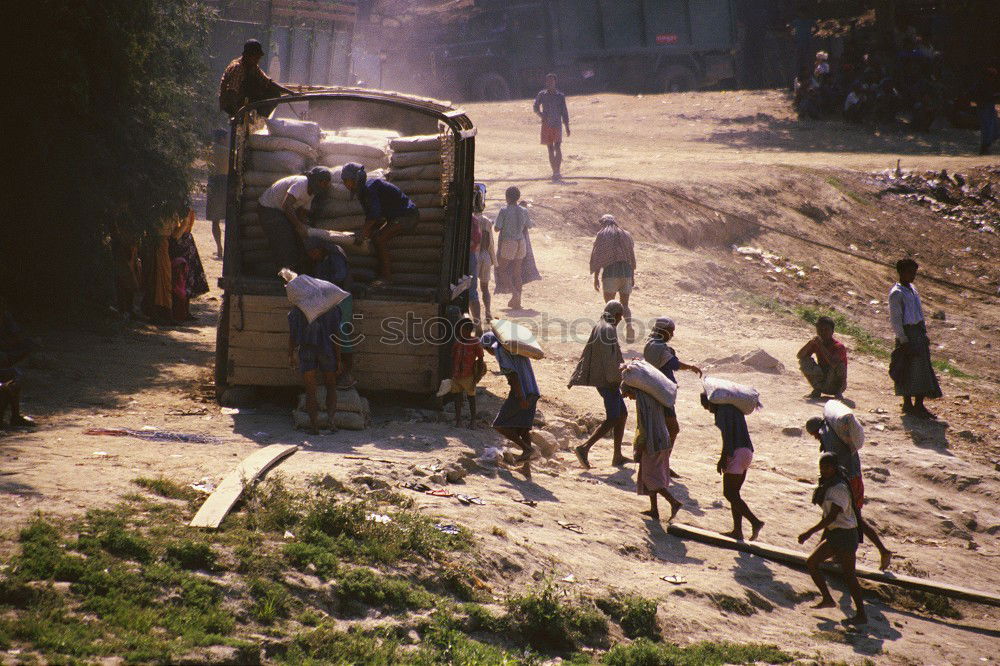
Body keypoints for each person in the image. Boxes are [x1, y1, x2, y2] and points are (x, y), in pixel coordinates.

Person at [806, 416, 892, 570]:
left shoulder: (829, 437)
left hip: (849, 482)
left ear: (817, 430)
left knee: (855, 520)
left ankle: (883, 551)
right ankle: (823, 551)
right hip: (852, 478)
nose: (816, 438)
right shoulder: (834, 434)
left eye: (814, 435)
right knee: (835, 515)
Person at [798, 452, 868, 626]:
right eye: (822, 467)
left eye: (828, 467)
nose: (824, 470)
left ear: (835, 468)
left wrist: (809, 532)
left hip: (845, 535)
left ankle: (861, 614)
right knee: (812, 562)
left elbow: (831, 518)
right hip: (836, 534)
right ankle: (828, 598)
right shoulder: (828, 484)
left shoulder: (839, 488)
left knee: (849, 576)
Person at [569, 301, 627, 469]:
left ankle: (617, 455)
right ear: (616, 315)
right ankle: (584, 448)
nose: (621, 319)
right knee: (614, 417)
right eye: (620, 316)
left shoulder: (602, 326)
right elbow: (609, 361)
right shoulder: (607, 329)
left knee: (622, 414)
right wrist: (617, 379)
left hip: (605, 378)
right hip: (607, 380)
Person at [341, 162, 420, 284]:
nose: (345, 184)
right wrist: (367, 232)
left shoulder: (370, 187)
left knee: (380, 239)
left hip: (407, 216)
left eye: (347, 180)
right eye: (344, 181)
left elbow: (374, 214)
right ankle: (381, 273)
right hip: (396, 217)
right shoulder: (362, 191)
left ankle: (387, 278)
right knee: (375, 237)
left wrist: (364, 232)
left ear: (356, 178)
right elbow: (372, 216)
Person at [701, 394, 764, 541]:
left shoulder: (722, 412)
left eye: (705, 404)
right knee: (735, 495)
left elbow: (727, 437)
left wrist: (723, 458)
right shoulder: (733, 410)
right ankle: (737, 531)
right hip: (747, 452)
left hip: (737, 452)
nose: (705, 408)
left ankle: (755, 522)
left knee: (729, 494)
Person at [643, 317, 702, 473]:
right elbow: (673, 364)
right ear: (663, 331)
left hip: (658, 392)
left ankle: (660, 464)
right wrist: (690, 367)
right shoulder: (658, 347)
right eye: (671, 331)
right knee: (672, 429)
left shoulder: (652, 344)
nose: (672, 335)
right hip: (661, 394)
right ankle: (661, 466)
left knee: (661, 429)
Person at [285, 276, 343, 436]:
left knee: (310, 391)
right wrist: (339, 359)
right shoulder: (333, 309)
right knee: (331, 386)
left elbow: (293, 336)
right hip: (327, 351)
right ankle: (331, 422)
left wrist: (291, 354)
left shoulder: (297, 311)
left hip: (307, 351)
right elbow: (336, 335)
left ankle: (314, 427)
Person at [889, 258, 941, 418]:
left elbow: (918, 313)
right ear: (901, 272)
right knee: (906, 368)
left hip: (917, 333)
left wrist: (923, 333)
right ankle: (907, 404)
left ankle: (919, 404)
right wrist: (903, 339)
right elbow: (896, 319)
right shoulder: (896, 293)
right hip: (907, 334)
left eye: (914, 273)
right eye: (910, 272)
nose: (913, 276)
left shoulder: (912, 289)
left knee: (922, 369)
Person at [623, 386, 683, 521]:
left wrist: (640, 445)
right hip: (661, 440)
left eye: (628, 394)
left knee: (650, 477)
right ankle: (654, 510)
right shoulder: (651, 399)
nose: (629, 398)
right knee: (646, 473)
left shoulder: (643, 403)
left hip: (653, 442)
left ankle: (673, 502)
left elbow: (644, 426)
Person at [481, 331, 539, 469]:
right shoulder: (516, 349)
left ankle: (526, 449)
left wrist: (520, 397)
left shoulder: (500, 351)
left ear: (489, 347)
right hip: (533, 390)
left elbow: (513, 375)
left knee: (499, 425)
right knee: (523, 429)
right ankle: (526, 469)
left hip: (521, 392)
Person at [258, 167, 333, 273]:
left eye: (326, 183)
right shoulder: (301, 183)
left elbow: (302, 212)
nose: (323, 185)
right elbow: (287, 205)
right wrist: (299, 226)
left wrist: (305, 229)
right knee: (285, 237)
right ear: (316, 179)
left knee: (297, 238)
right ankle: (285, 276)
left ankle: (297, 272)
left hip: (281, 211)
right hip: (268, 208)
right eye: (322, 182)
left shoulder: (312, 193)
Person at [305, 237, 356, 389]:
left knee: (342, 334)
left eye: (313, 252)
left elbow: (339, 277)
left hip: (341, 298)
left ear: (319, 249)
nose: (311, 256)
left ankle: (346, 374)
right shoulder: (321, 260)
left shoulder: (335, 256)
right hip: (329, 300)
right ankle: (335, 374)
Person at [589, 214, 637, 343]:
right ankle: (629, 326)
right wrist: (632, 276)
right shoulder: (626, 234)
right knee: (625, 304)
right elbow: (631, 255)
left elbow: (598, 256)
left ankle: (612, 334)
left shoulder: (602, 234)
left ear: (603, 223)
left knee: (610, 306)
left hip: (611, 273)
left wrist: (596, 277)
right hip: (626, 272)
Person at [218, 39, 293, 118]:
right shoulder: (238, 68)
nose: (258, 60)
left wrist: (290, 92)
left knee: (273, 92)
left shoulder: (252, 66)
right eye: (256, 57)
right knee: (254, 83)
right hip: (232, 103)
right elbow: (231, 93)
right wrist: (238, 114)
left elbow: (268, 82)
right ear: (248, 55)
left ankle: (260, 116)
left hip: (243, 98)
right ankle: (249, 115)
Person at [494, 187, 534, 310]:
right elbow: (529, 225)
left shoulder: (504, 210)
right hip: (521, 242)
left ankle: (514, 294)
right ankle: (517, 301)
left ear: (507, 197)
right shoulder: (523, 210)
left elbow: (497, 228)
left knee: (501, 270)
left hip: (509, 242)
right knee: (517, 273)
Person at [0, 299, 35, 429]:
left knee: (14, 377)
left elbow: (17, 336)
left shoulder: (5, 316)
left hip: (5, 352)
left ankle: (15, 416)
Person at [169, 210, 209, 322]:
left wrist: (173, 240)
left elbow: (184, 225)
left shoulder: (181, 206)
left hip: (182, 243)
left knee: (182, 278)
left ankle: (182, 311)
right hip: (184, 243)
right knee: (184, 278)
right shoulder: (183, 206)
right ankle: (182, 312)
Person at [797, 316, 848, 400]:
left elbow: (834, 364)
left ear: (832, 331)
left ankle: (838, 393)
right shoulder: (817, 343)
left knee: (840, 365)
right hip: (822, 382)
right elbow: (800, 356)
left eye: (826, 330)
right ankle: (817, 389)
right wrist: (809, 344)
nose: (823, 332)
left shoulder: (838, 346)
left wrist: (821, 346)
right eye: (820, 329)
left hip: (836, 385)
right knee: (804, 361)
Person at [533, 73, 570, 181]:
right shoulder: (542, 95)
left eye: (552, 81)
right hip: (546, 125)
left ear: (555, 82)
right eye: (548, 81)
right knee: (550, 149)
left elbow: (564, 112)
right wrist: (541, 115)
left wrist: (567, 126)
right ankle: (554, 172)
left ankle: (557, 171)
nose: (550, 83)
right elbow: (535, 107)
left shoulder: (560, 96)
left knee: (557, 147)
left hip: (557, 125)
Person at [450, 316, 484, 428]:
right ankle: (458, 420)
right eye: (461, 330)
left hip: (469, 374)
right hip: (457, 374)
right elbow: (453, 356)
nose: (462, 332)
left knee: (471, 397)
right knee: (457, 397)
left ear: (469, 330)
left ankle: (473, 421)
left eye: (464, 330)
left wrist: (478, 374)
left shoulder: (475, 342)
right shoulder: (458, 341)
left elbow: (480, 359)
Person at [473, 184, 495, 323]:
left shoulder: (469, 219)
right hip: (485, 256)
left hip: (474, 256)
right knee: (485, 288)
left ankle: (476, 319)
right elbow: (490, 243)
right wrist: (493, 260)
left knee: (473, 290)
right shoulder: (486, 220)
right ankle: (488, 313)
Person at [207, 129, 228, 258]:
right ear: (222, 139)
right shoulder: (228, 152)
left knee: (215, 220)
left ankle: (219, 249)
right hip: (225, 183)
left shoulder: (209, 151)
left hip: (213, 183)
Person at [467, 187, 485, 328]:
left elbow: (476, 241)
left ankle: (477, 324)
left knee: (471, 292)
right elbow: (476, 241)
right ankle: (477, 324)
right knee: (472, 292)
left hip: (469, 258)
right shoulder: (473, 220)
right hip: (471, 257)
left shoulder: (472, 220)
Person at [971, 66, 998, 155]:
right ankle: (985, 146)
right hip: (984, 106)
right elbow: (976, 95)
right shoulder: (982, 84)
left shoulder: (986, 84)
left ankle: (986, 145)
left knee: (991, 126)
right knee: (988, 127)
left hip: (988, 105)